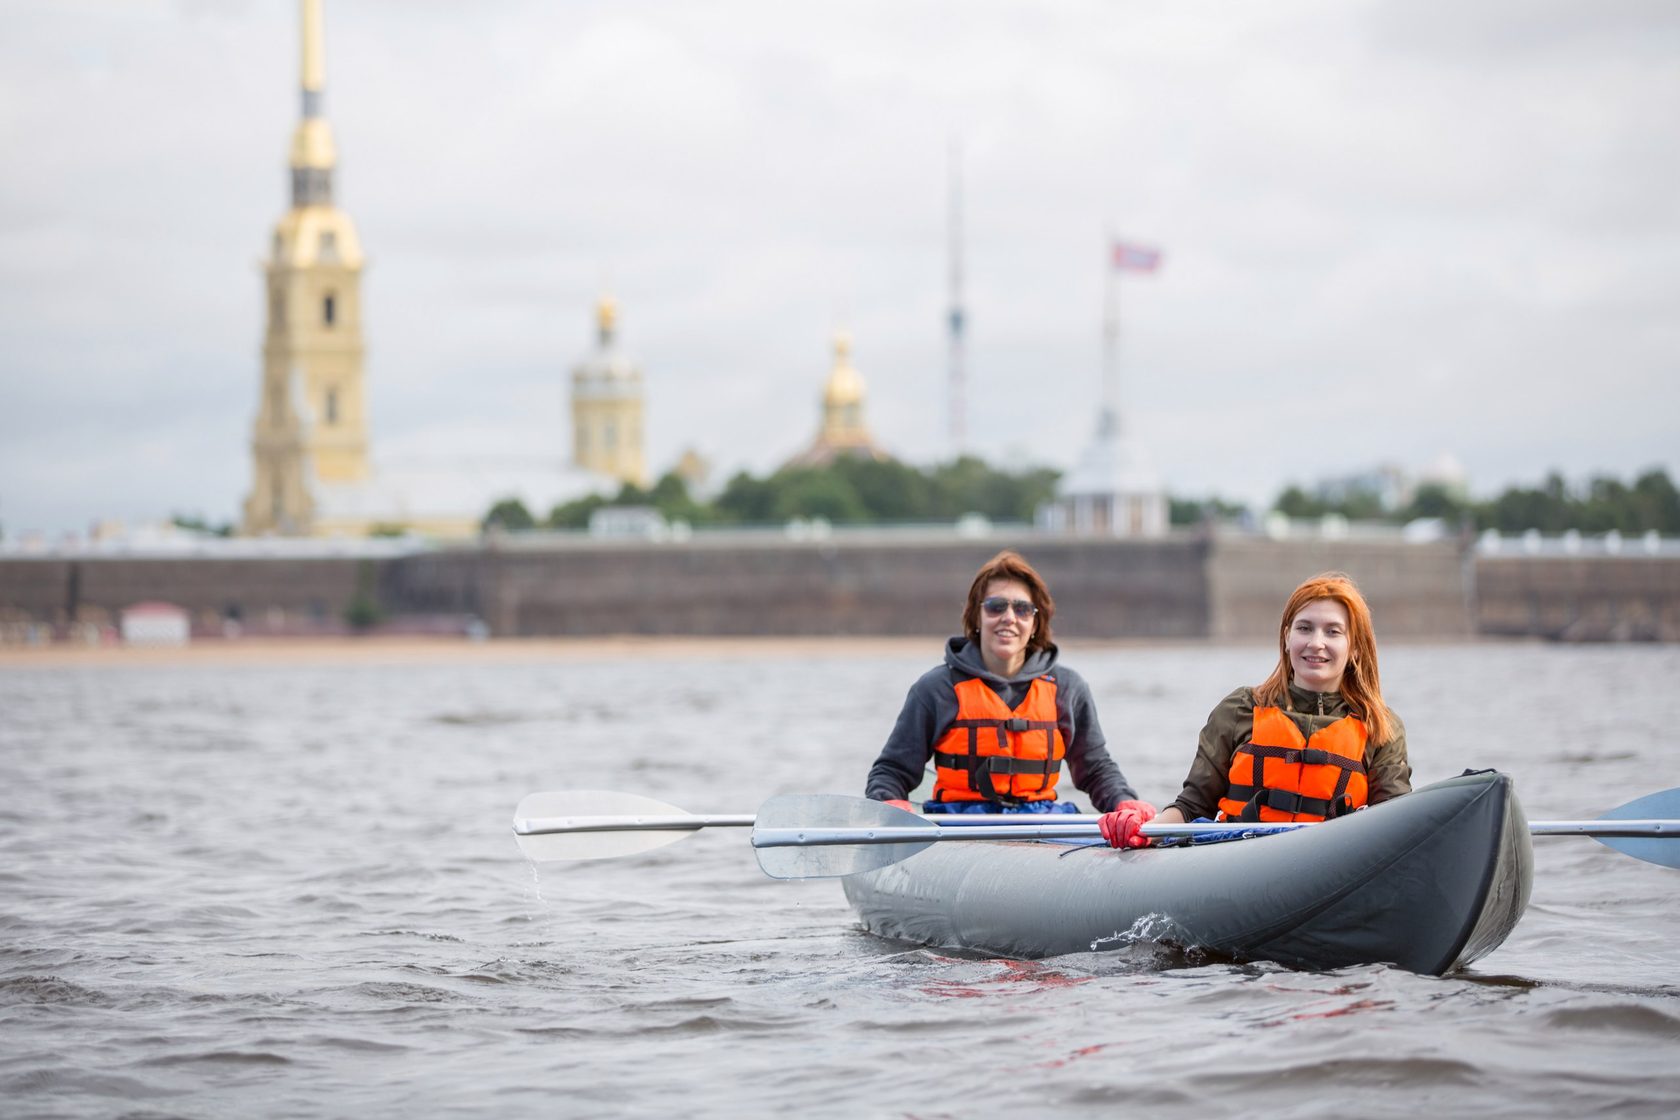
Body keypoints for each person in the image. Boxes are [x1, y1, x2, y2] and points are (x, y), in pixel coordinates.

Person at [1101, 570, 1412, 846]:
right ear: (1287, 637)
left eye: (1333, 632)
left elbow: (1396, 826)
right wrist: (1146, 831)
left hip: (1329, 864)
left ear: (1354, 647)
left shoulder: (1379, 727)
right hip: (1239, 857)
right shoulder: (1240, 709)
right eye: (1304, 628)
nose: (1316, 643)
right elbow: (1193, 806)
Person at [865, 549, 1156, 844]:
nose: (1008, 618)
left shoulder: (1067, 688)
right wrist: (889, 804)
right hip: (958, 824)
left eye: (1022, 609)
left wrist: (1123, 802)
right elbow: (891, 771)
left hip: (1042, 820)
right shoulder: (936, 688)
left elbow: (1096, 768)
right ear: (977, 617)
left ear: (1034, 623)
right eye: (995, 606)